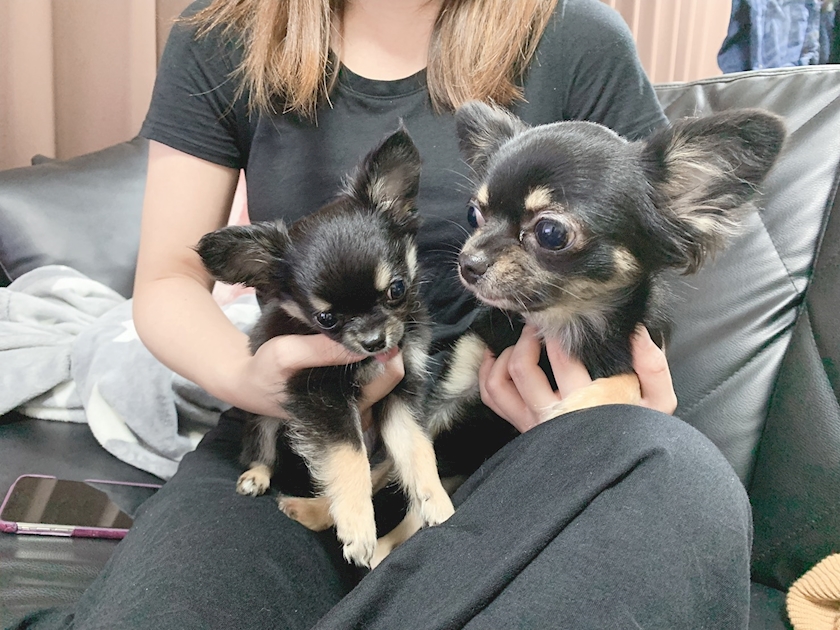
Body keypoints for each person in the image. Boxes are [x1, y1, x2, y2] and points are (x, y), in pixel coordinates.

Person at [12, 0, 752, 628]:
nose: (474, 253)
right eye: (476, 217)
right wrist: (254, 381)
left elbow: (649, 243)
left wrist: (604, 421)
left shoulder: (575, 34)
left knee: (681, 475)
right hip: (303, 439)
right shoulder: (224, 33)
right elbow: (172, 276)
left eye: (547, 232)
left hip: (511, 452)